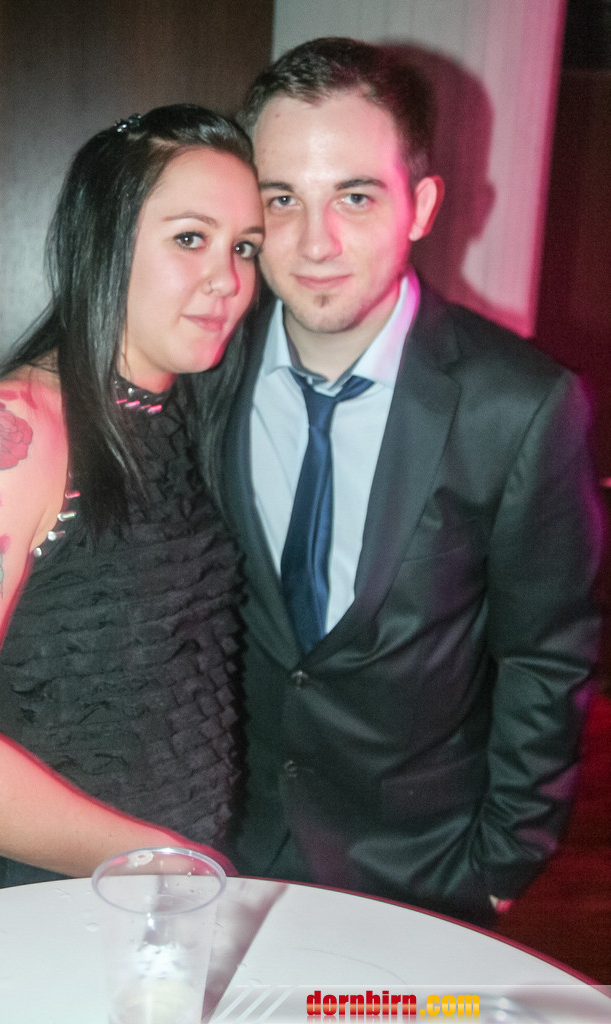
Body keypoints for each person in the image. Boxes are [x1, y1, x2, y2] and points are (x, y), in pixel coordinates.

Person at [221, 37, 603, 924]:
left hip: (422, 875)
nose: (315, 242)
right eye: (282, 198)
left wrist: (506, 858)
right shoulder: (207, 375)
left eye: (355, 196)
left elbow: (547, 651)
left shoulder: (521, 406)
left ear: (421, 206)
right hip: (228, 856)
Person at [0, 104, 264, 901]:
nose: (228, 279)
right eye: (191, 238)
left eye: (244, 247)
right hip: (29, 907)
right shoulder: (5, 432)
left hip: (163, 904)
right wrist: (157, 859)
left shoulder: (193, 414)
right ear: (106, 239)